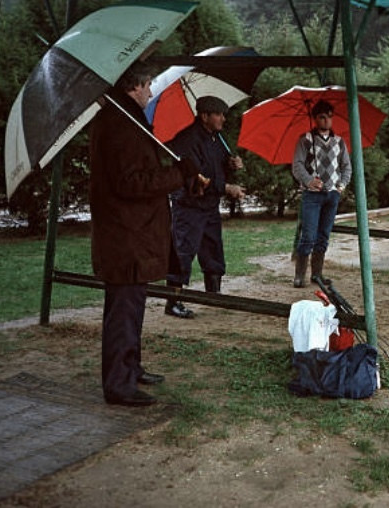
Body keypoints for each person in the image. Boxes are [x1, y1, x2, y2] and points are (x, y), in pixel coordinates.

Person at [89, 61, 200, 406]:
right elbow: (130, 183)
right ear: (134, 86)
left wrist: (177, 171)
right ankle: (118, 385)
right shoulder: (119, 123)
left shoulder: (124, 118)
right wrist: (178, 174)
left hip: (130, 235)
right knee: (123, 311)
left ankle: (130, 368)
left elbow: (140, 170)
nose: (151, 92)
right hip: (126, 237)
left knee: (130, 309)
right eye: (148, 85)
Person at [163, 96, 246, 318]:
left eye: (223, 114)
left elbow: (216, 167)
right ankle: (173, 301)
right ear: (204, 116)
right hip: (189, 205)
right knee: (183, 251)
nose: (223, 119)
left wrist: (231, 164)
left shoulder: (216, 137)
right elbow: (197, 179)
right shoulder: (187, 140)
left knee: (212, 247)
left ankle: (214, 294)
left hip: (209, 205)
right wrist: (227, 187)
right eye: (218, 114)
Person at [291, 100, 352, 288]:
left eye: (329, 117)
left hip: (332, 195)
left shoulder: (339, 142)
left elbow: (346, 167)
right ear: (315, 118)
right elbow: (297, 165)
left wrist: (341, 185)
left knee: (323, 235)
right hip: (312, 195)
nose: (326, 121)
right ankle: (300, 275)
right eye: (322, 117)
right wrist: (310, 181)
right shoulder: (306, 140)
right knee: (308, 235)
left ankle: (317, 274)